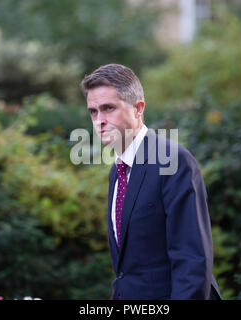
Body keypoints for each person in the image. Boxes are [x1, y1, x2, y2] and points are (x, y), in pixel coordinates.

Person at [80, 63, 221, 300]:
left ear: (138, 108)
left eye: (108, 108)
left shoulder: (173, 161)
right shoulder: (117, 173)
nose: (99, 120)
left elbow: (192, 260)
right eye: (93, 111)